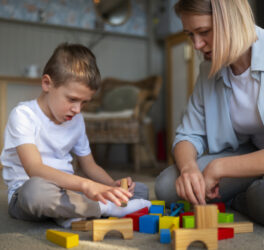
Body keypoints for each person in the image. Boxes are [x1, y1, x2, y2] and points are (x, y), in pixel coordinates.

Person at [0, 43, 150, 228]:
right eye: (72, 99)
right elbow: (35, 169)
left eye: (84, 102)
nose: (77, 109)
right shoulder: (23, 115)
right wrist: (87, 186)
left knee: (140, 190)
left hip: (68, 191)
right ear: (47, 83)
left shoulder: (76, 120)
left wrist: (112, 186)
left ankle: (71, 212)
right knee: (35, 193)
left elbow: (90, 166)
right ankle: (106, 210)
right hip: (27, 193)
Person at [155, 0, 264, 225]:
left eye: (204, 32)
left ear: (231, 21)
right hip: (249, 154)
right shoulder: (208, 70)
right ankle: (247, 195)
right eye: (190, 35)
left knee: (259, 199)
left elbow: (218, 167)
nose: (196, 44)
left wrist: (219, 167)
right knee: (167, 186)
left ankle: (244, 197)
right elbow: (188, 135)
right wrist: (188, 169)